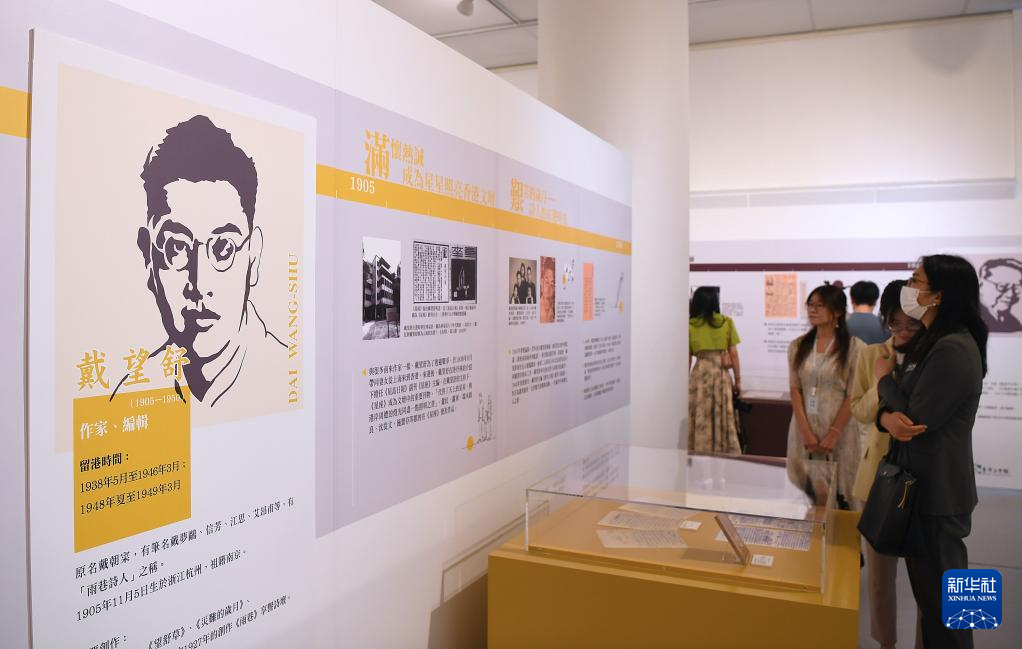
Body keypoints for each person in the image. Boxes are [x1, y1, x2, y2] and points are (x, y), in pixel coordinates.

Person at [115, 115, 286, 407]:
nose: (199, 285)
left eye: (223, 248)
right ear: (148, 257)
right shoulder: (128, 397)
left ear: (253, 257)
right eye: (177, 248)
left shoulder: (288, 376)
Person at [874, 255, 987, 649]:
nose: (909, 287)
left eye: (916, 280)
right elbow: (899, 415)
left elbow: (916, 419)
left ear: (938, 295)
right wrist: (886, 416)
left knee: (951, 611)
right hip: (929, 490)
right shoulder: (934, 341)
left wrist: (883, 382)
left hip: (939, 495)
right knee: (939, 604)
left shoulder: (953, 347)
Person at [851, 280, 924, 649]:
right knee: (880, 576)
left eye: (910, 324)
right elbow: (858, 409)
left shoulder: (935, 355)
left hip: (925, 477)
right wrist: (881, 383)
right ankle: (886, 643)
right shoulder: (872, 354)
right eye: (895, 323)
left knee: (931, 579)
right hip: (879, 476)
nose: (902, 332)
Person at [786, 284, 863, 506]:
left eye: (820, 305)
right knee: (807, 493)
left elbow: (853, 394)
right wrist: (806, 432)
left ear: (837, 311)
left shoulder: (854, 347)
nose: (813, 310)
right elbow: (795, 388)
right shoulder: (798, 346)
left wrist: (833, 434)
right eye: (810, 304)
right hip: (804, 428)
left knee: (842, 492)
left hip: (840, 429)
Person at [687, 286, 742, 454]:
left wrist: (685, 382)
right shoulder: (726, 322)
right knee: (722, 416)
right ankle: (723, 457)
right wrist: (738, 381)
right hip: (721, 375)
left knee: (701, 416)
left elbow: (687, 358)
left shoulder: (690, 326)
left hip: (700, 375)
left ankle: (700, 456)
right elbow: (734, 354)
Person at [977, 257, 1022, 332]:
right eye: (1002, 286)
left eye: (1015, 288)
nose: (1010, 295)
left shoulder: (1014, 322)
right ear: (981, 284)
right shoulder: (972, 319)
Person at [539, 258, 556, 323]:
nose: (549, 287)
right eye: (546, 282)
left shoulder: (554, 311)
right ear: (541, 281)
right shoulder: (538, 308)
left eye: (552, 283)